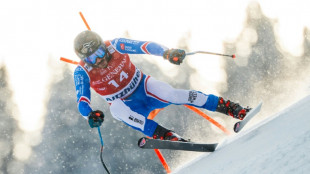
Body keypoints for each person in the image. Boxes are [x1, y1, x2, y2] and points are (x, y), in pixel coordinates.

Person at [73, 30, 250, 142]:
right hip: (127, 104)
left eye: (100, 52)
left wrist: (166, 52)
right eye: (92, 58)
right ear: (84, 59)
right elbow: (82, 100)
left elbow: (144, 46)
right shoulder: (82, 71)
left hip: (144, 88)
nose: (100, 60)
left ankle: (234, 109)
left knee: (173, 95)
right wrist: (89, 114)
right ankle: (168, 137)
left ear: (103, 46)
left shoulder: (115, 45)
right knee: (117, 111)